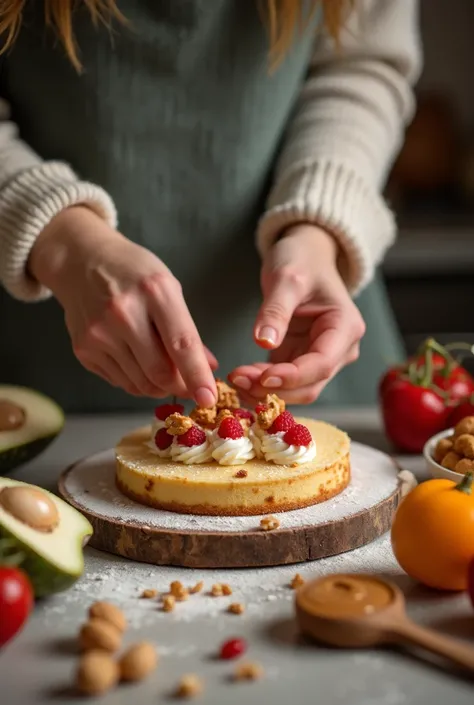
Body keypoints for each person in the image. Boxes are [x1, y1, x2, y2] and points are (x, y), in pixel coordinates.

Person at [0, 0, 421, 413]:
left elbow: (363, 66)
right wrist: (62, 243)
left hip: (321, 359)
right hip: (40, 353)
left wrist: (317, 233)